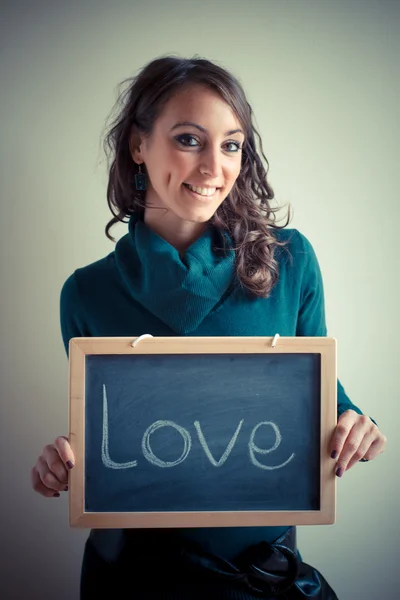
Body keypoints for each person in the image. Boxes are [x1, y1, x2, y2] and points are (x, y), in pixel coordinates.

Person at [31, 55, 386, 599]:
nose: (214, 168)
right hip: (136, 582)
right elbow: (110, 447)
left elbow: (321, 394)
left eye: (231, 145)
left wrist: (353, 422)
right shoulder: (86, 294)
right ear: (137, 146)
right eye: (189, 140)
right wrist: (63, 465)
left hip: (265, 579)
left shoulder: (290, 262)